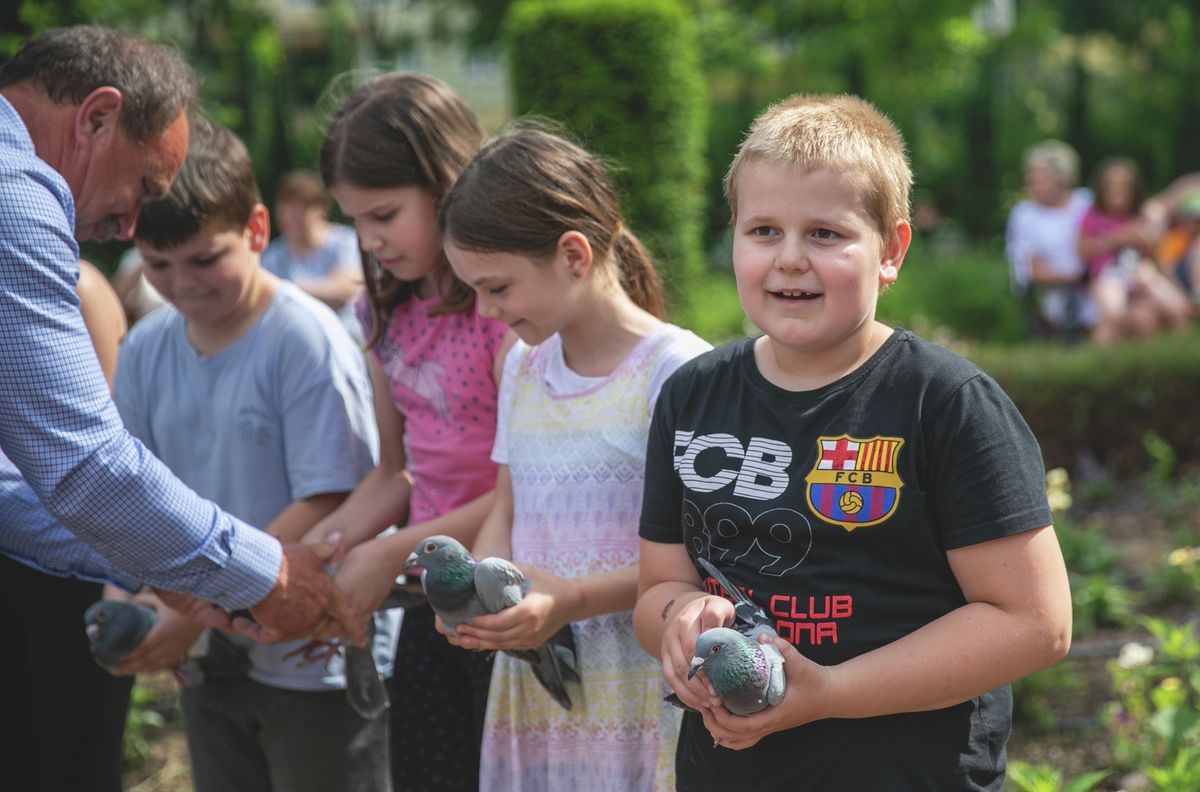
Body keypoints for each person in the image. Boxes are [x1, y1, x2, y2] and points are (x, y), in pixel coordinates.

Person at [633, 95, 1072, 791]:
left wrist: (829, 691)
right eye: (764, 230)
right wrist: (681, 618)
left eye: (826, 235)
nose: (790, 259)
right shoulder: (691, 395)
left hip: (906, 772)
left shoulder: (945, 403)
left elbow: (1034, 622)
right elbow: (660, 583)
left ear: (891, 250)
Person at [0, 25, 356, 642]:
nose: (128, 225)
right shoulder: (16, 197)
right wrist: (264, 574)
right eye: (143, 186)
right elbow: (86, 467)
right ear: (97, 118)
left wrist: (167, 564)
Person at [109, 118, 393, 792]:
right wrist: (132, 598)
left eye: (206, 259)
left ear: (257, 231)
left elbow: (331, 498)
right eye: (158, 265)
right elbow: (132, 494)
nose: (183, 283)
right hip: (209, 656)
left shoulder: (304, 340)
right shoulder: (146, 348)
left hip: (314, 659)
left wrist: (187, 607)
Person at [436, 127, 712, 792]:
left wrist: (574, 599)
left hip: (637, 683)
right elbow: (509, 503)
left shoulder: (677, 372)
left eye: (497, 287)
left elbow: (705, 556)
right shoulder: (524, 366)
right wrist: (480, 588)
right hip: (537, 686)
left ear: (573, 254)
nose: (487, 310)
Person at [301, 72, 513, 792]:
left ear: (448, 182)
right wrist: (316, 554)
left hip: (512, 597)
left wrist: (390, 550)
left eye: (384, 213)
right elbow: (395, 474)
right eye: (354, 218)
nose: (368, 239)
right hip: (429, 602)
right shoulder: (380, 312)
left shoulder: (505, 308)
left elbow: (532, 483)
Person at [0, 260, 134, 792]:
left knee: (75, 761)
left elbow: (102, 449)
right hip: (11, 555)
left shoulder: (78, 285)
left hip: (71, 567)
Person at [1077, 157, 1191, 345]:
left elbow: (1157, 250)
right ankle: (1098, 365)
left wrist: (1143, 238)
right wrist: (1116, 240)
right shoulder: (1092, 215)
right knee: (1114, 313)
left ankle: (1182, 359)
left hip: (1140, 272)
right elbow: (1081, 251)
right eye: (1111, 187)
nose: (1118, 193)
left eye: (1124, 187)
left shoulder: (1143, 213)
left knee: (1175, 308)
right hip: (1107, 275)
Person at [1005, 139, 1095, 336]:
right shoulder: (1025, 215)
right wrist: (1078, 278)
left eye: (1038, 180)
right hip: (1060, 297)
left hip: (1102, 284)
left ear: (1062, 178)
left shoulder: (1087, 202)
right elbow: (1032, 270)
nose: (1031, 186)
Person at [262, 169, 364, 341]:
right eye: (285, 208)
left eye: (299, 209)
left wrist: (284, 289)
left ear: (321, 210)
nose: (290, 217)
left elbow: (342, 291)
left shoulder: (347, 242)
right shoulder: (273, 255)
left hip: (350, 338)